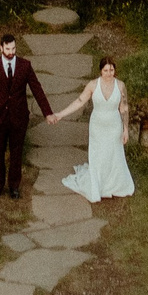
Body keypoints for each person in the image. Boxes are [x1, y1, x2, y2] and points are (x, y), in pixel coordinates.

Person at [47, 55, 134, 202]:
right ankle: (97, 185)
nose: (109, 73)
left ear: (115, 70)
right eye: (106, 70)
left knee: (114, 155)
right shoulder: (93, 85)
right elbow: (79, 101)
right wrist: (60, 114)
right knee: (98, 156)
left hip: (114, 126)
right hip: (97, 127)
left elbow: (124, 108)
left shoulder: (120, 86)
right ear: (101, 71)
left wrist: (125, 129)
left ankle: (114, 184)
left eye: (111, 70)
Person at [0, 33, 52, 200]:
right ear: (1, 48)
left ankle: (14, 186)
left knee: (16, 153)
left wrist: (47, 112)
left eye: (13, 48)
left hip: (18, 118)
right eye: (7, 49)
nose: (11, 52)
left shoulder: (25, 66)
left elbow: (37, 89)